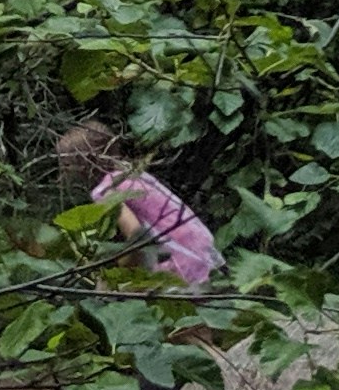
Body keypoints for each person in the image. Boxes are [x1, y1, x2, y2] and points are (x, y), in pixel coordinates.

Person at [54, 123, 218, 290]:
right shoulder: (131, 175)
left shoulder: (106, 191)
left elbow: (135, 233)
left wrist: (121, 275)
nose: (62, 175)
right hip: (199, 247)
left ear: (83, 163)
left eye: (66, 165)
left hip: (178, 260)